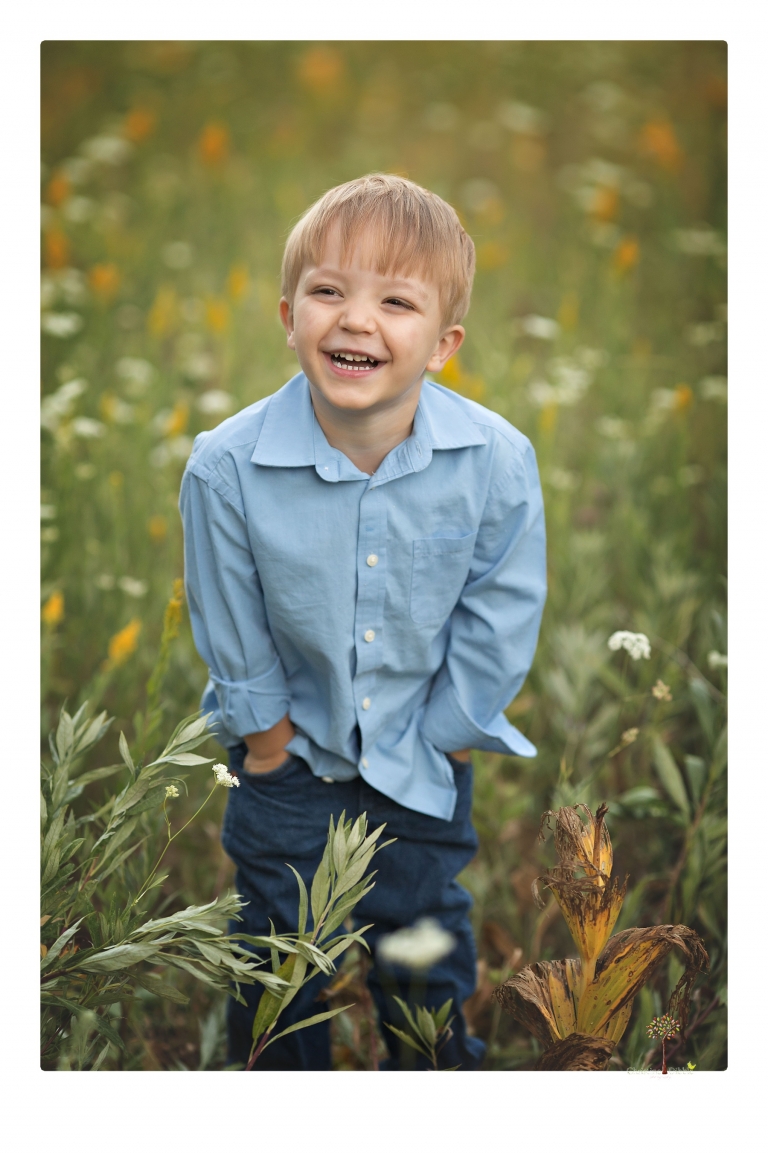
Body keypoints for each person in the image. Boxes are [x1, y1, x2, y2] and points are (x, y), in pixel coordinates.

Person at [179, 173, 547, 1070]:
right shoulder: (226, 468)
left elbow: (501, 610)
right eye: (328, 291)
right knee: (276, 970)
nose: (355, 320)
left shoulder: (495, 461)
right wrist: (266, 746)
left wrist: (454, 735)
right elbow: (231, 625)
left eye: (395, 301)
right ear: (287, 313)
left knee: (422, 960)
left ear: (443, 344)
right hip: (289, 761)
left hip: (422, 759)